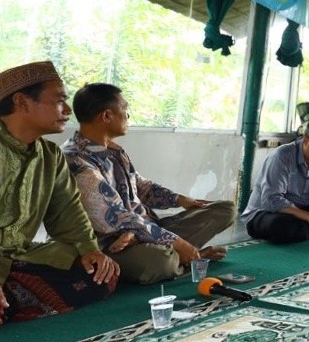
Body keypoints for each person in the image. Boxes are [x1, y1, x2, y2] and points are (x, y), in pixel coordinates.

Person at [63, 83, 235, 284]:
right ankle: (188, 258)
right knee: (160, 262)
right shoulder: (76, 160)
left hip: (142, 229)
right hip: (109, 244)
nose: (128, 116)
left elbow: (139, 185)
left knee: (225, 209)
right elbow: (117, 217)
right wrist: (179, 243)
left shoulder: (112, 150)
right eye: (125, 110)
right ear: (107, 116)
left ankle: (173, 252)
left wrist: (180, 200)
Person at [0, 61, 118, 324]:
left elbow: (69, 215)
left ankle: (12, 299)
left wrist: (90, 249)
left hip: (18, 257)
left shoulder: (50, 156)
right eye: (59, 101)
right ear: (22, 101)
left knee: (100, 274)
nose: (67, 110)